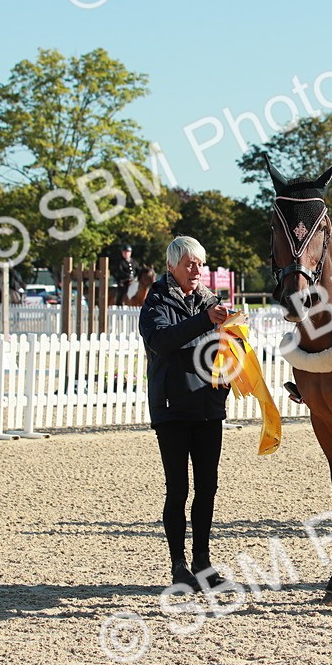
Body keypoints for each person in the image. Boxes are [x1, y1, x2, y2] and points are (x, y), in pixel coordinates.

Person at [139, 236, 233, 590]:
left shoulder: (210, 300)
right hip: (172, 407)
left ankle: (203, 563)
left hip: (208, 406)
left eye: (200, 264)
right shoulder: (157, 300)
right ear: (171, 267)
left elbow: (222, 345)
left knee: (207, 487)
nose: (196, 271)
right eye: (189, 264)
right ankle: (179, 564)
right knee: (178, 488)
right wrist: (205, 321)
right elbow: (161, 341)